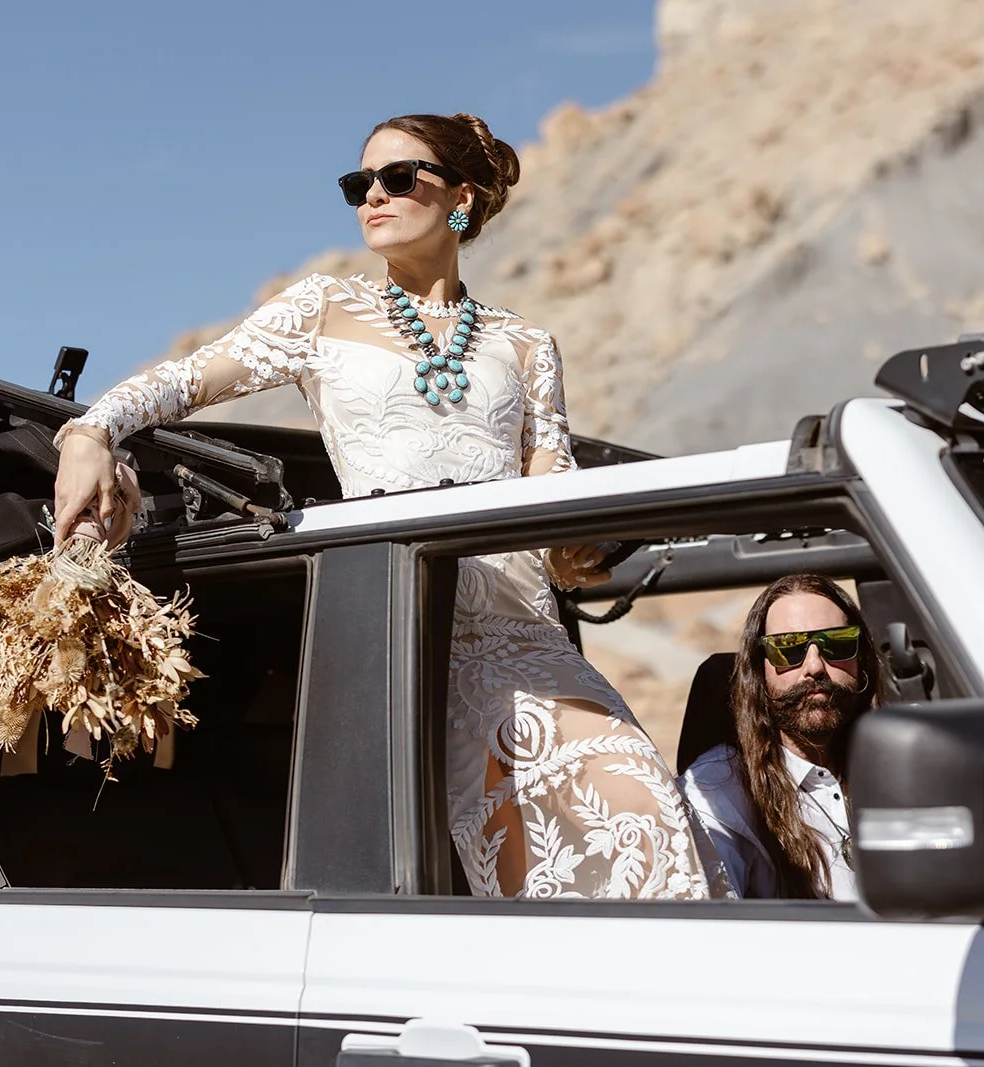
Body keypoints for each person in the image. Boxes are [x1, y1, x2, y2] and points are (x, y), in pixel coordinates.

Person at [50, 113, 713, 900]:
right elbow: (184, 381)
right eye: (358, 183)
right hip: (401, 627)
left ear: (461, 197)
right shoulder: (323, 308)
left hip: (520, 629)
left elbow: (551, 494)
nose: (373, 195)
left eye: (398, 178)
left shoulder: (527, 343)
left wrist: (580, 550)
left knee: (643, 799)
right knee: (527, 865)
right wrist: (90, 432)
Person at [679, 573, 883, 899]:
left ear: (862, 660)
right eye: (788, 648)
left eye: (837, 642)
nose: (814, 666)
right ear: (758, 672)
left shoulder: (897, 766)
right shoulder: (717, 792)